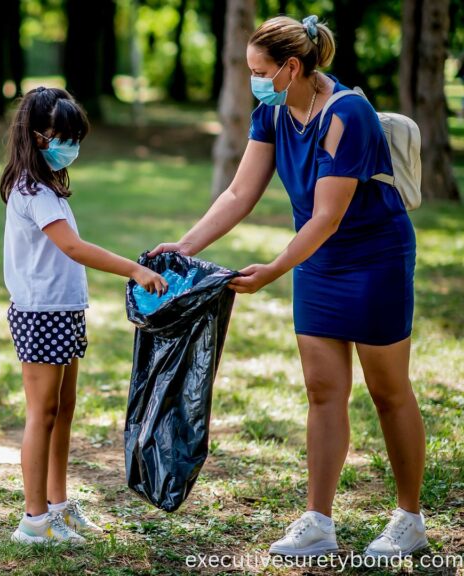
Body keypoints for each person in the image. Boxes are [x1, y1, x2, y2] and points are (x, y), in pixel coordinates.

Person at [151, 16, 425, 558]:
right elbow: (238, 194)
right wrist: (186, 246)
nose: (252, 80)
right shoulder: (272, 112)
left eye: (259, 70)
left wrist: (273, 270)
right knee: (323, 391)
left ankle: (409, 518)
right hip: (318, 265)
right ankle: (318, 521)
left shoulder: (348, 114)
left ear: (291, 67)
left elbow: (326, 217)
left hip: (373, 260)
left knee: (388, 392)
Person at [1, 87, 168, 545]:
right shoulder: (31, 190)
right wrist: (134, 269)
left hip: (63, 311)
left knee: (63, 410)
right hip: (40, 315)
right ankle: (34, 519)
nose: (71, 147)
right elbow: (72, 248)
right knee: (42, 413)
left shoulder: (49, 188)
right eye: (63, 137)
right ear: (36, 137)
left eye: (76, 138)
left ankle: (57, 504)